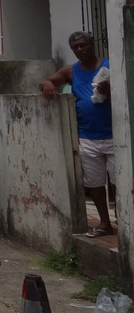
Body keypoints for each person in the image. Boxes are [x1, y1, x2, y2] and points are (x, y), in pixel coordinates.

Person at [39, 31, 115, 237]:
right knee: (94, 183)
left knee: (119, 181)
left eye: (83, 45)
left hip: (115, 135)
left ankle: (124, 221)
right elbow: (47, 80)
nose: (80, 50)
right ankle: (105, 223)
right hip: (87, 136)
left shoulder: (110, 65)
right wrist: (47, 84)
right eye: (76, 48)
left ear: (92, 44)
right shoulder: (71, 71)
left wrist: (109, 92)